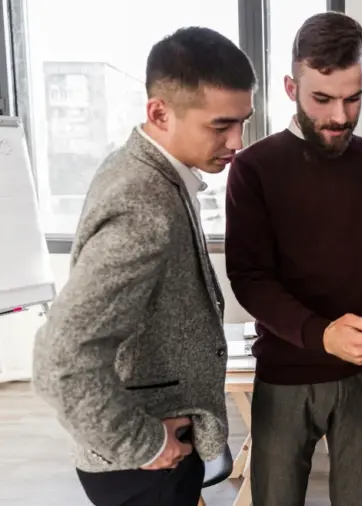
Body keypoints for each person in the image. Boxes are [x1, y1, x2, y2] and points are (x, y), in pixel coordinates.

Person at [31, 27, 256, 506]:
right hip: (145, 462)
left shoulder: (151, 170)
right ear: (159, 112)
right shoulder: (143, 203)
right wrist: (142, 443)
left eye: (243, 121)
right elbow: (61, 360)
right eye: (220, 126)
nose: (237, 141)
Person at [224, 12, 362, 506]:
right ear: (290, 86)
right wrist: (321, 334)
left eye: (353, 97)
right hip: (285, 372)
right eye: (322, 99)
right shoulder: (254, 169)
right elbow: (251, 279)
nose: (340, 115)